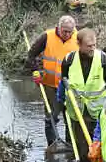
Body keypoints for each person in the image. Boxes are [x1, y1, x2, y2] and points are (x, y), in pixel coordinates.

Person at [59, 28, 106, 162]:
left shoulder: (104, 60)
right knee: (83, 150)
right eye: (88, 46)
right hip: (77, 112)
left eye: (94, 45)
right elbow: (63, 81)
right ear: (78, 44)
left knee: (102, 148)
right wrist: (60, 100)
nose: (92, 48)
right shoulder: (69, 60)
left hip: (99, 113)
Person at [26, 15, 78, 146]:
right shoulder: (47, 36)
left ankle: (70, 146)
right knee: (51, 117)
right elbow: (31, 55)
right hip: (50, 85)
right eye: (64, 31)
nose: (67, 34)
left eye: (69, 31)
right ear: (58, 27)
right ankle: (53, 144)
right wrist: (35, 70)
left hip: (70, 86)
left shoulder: (79, 38)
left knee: (72, 118)